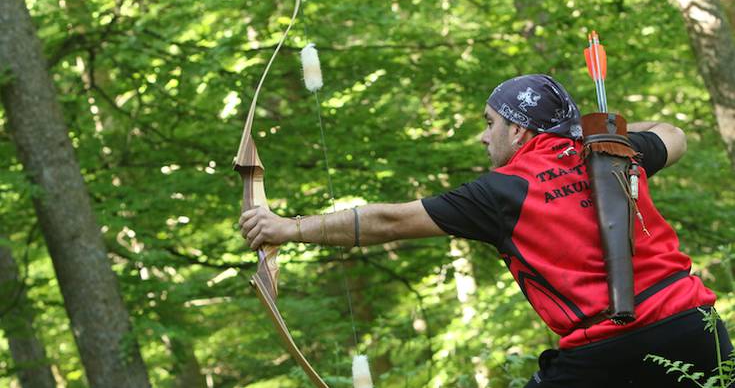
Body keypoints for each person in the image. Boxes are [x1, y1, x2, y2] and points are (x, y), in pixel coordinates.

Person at [239, 74, 732, 387]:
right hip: (699, 331)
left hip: (607, 350)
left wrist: (288, 228)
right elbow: (675, 135)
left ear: (518, 130)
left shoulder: (500, 193)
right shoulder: (615, 155)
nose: (482, 135)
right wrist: (596, 138)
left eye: (489, 122)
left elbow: (389, 220)